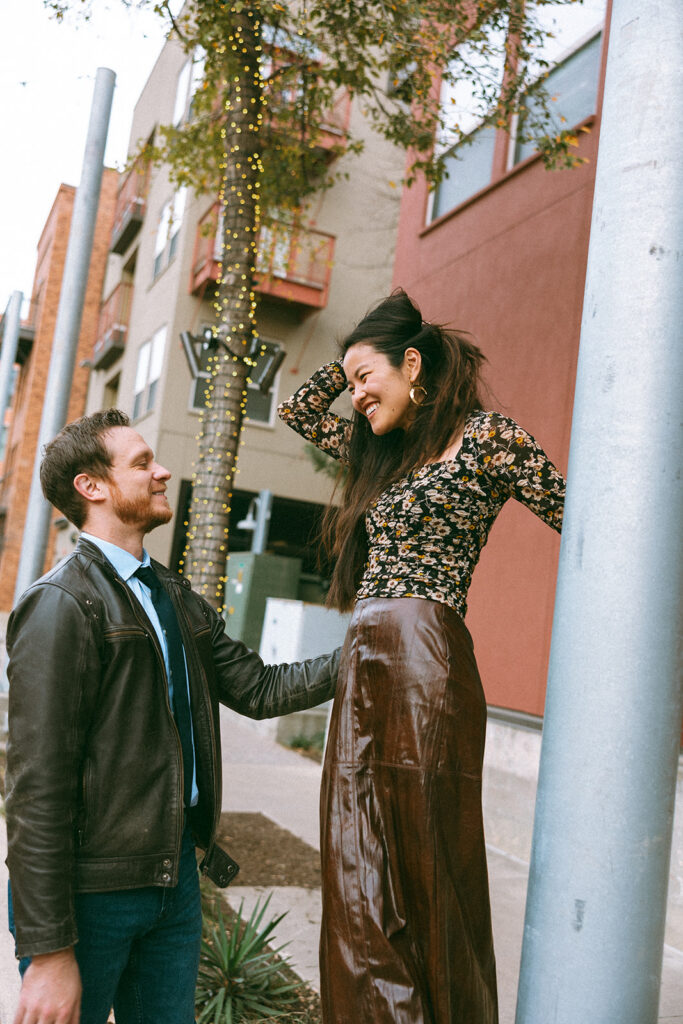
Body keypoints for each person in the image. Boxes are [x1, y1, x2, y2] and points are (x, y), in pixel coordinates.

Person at [278, 289, 565, 1024]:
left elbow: (579, 515)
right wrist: (351, 369)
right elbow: (298, 414)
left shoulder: (489, 440)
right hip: (364, 653)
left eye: (368, 375)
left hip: (428, 656)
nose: (356, 395)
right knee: (355, 856)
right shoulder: (380, 448)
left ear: (413, 363)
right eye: (351, 383)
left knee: (428, 860)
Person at [5, 408, 340, 1024]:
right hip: (92, 896)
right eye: (141, 463)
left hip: (174, 881)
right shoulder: (61, 604)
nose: (162, 471)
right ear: (92, 486)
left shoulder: (173, 594)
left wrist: (369, 650)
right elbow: (35, 790)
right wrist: (49, 950)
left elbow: (261, 689)